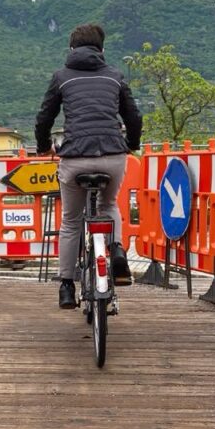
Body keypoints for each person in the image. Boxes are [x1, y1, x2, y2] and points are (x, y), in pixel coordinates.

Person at [35, 23, 142, 310]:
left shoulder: (61, 77)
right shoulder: (115, 76)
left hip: (74, 159)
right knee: (109, 206)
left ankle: (67, 286)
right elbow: (133, 116)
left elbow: (44, 117)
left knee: (70, 220)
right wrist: (131, 143)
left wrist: (44, 145)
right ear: (102, 49)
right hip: (113, 157)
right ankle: (117, 251)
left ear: (71, 49)